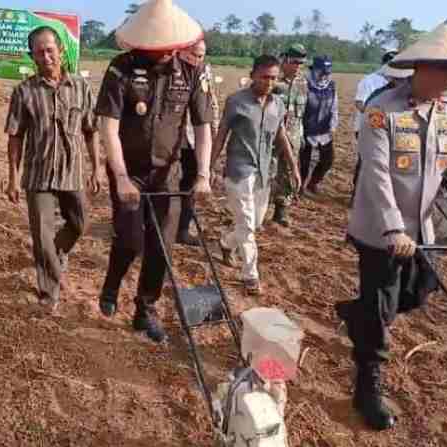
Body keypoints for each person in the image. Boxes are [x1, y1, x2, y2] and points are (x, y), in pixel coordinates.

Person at [337, 21, 447, 431]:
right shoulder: (381, 111)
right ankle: (367, 388)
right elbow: (375, 174)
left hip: (421, 232)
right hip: (379, 230)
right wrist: (392, 229)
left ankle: (357, 313)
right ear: (422, 67)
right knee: (380, 312)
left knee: (418, 292)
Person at [95, 0, 214, 343]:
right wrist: (119, 177)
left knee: (161, 246)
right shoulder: (121, 69)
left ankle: (145, 309)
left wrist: (203, 175)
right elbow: (108, 127)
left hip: (168, 175)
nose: (162, 53)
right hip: (128, 172)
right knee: (130, 239)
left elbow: (203, 125)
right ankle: (111, 285)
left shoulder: (191, 72)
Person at [4, 26, 104, 312]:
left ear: (61, 50)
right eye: (39, 51)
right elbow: (15, 136)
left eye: (50, 50)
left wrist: (96, 168)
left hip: (71, 172)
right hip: (38, 174)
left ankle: (55, 254)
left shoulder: (81, 87)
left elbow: (91, 130)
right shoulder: (23, 91)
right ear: (32, 56)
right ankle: (50, 290)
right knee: (41, 234)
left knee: (79, 224)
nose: (46, 56)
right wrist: (12, 177)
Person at [211, 55, 302, 295]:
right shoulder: (236, 101)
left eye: (273, 78)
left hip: (264, 171)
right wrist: (208, 167)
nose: (269, 82)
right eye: (264, 77)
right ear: (252, 75)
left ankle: (225, 243)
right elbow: (221, 134)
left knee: (253, 223)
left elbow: (281, 136)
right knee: (248, 226)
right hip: (239, 171)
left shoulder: (278, 104)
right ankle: (250, 276)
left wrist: (294, 167)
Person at [176, 39, 220, 246]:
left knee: (190, 184)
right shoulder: (170, 70)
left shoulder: (203, 72)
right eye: (193, 54)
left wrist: (213, 127)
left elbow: (210, 101)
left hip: (193, 137)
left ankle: (183, 229)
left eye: (201, 55)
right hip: (171, 138)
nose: (197, 59)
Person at [350, 63, 413, 203]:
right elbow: (369, 114)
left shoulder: (410, 96)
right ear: (394, 79)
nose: (405, 83)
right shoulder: (379, 96)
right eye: (403, 80)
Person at [270, 44, 308, 227]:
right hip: (270, 135)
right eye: (294, 62)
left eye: (301, 63)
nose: (297, 66)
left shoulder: (303, 83)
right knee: (267, 170)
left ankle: (281, 211)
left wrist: (301, 135)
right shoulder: (273, 80)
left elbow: (303, 112)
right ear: (284, 60)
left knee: (287, 173)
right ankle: (258, 207)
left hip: (292, 136)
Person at [300, 55, 338, 195]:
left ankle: (313, 182)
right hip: (307, 129)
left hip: (324, 130)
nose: (324, 75)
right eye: (321, 72)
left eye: (327, 72)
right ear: (314, 70)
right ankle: (299, 188)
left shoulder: (331, 85)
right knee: (304, 163)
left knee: (328, 160)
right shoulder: (304, 84)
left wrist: (333, 125)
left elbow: (334, 106)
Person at [353, 50, 399, 140]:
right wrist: (375, 115)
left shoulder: (400, 82)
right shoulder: (369, 81)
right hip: (367, 128)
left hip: (389, 129)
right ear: (384, 65)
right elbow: (359, 103)